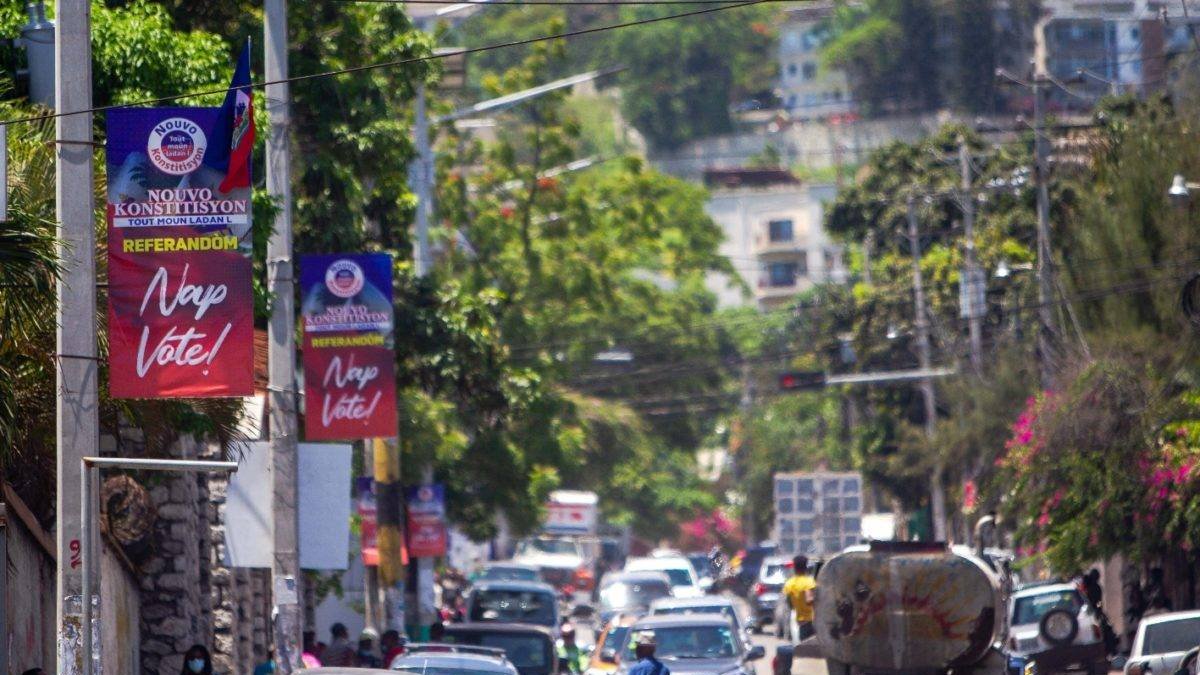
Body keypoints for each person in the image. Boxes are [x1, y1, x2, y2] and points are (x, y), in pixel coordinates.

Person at [782, 555, 817, 643]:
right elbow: (809, 599)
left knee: (801, 645)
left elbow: (789, 603)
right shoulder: (809, 581)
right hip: (812, 621)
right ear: (806, 567)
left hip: (800, 622)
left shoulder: (789, 584)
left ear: (794, 567)